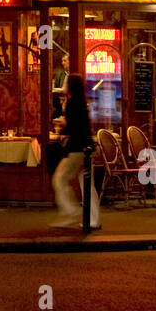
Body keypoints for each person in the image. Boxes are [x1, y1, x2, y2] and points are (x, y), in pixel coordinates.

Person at [50, 74, 96, 229]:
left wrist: (62, 127)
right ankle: (94, 219)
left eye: (66, 83)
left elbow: (73, 126)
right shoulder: (82, 102)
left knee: (59, 179)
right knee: (87, 184)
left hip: (76, 148)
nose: (64, 85)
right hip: (86, 148)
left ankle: (71, 211)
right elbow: (82, 125)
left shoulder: (71, 103)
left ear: (70, 86)